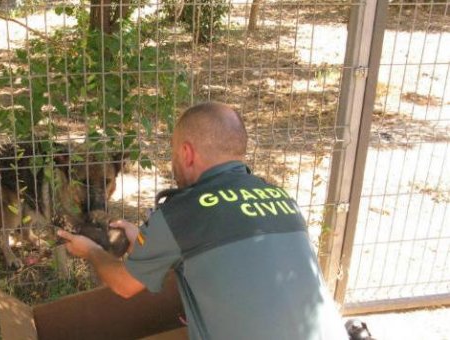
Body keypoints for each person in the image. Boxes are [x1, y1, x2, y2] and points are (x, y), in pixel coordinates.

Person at [57, 102, 347, 340]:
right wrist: (144, 239)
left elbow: (123, 285)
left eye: (172, 153)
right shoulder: (282, 199)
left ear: (186, 153)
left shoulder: (182, 212)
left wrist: (90, 250)